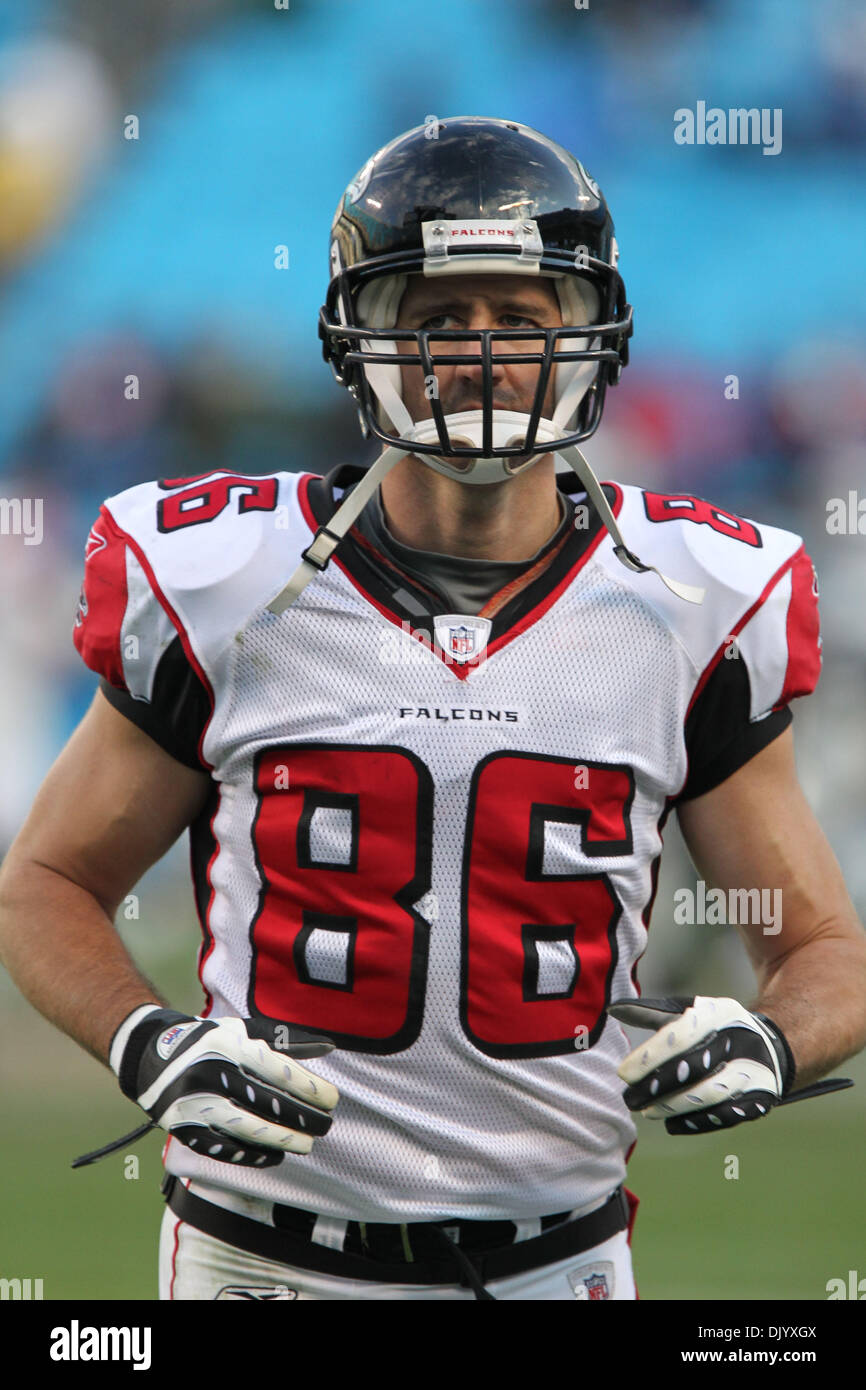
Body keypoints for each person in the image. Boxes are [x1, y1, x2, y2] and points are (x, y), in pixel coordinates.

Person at [1, 116, 864, 1303]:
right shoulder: (232, 582)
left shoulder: (684, 601)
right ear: (364, 340)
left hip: (556, 1261)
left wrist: (772, 1037)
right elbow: (46, 881)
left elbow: (822, 950)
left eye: (520, 318)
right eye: (437, 319)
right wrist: (147, 1041)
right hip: (260, 1255)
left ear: (586, 337)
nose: (479, 352)